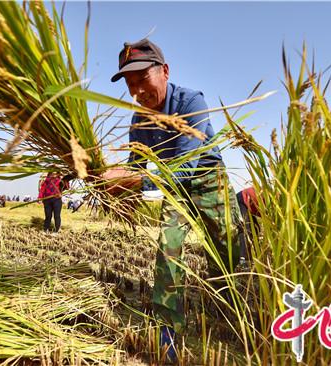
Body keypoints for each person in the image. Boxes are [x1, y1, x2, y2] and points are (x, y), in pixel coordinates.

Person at [105, 38, 244, 359]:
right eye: (130, 83)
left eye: (143, 79)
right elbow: (134, 169)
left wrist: (131, 180)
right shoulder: (139, 120)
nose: (137, 90)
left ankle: (228, 304)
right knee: (168, 248)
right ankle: (167, 327)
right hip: (174, 188)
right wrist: (107, 184)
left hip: (209, 180)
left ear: (165, 71)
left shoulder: (192, 102)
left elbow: (183, 167)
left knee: (225, 247)